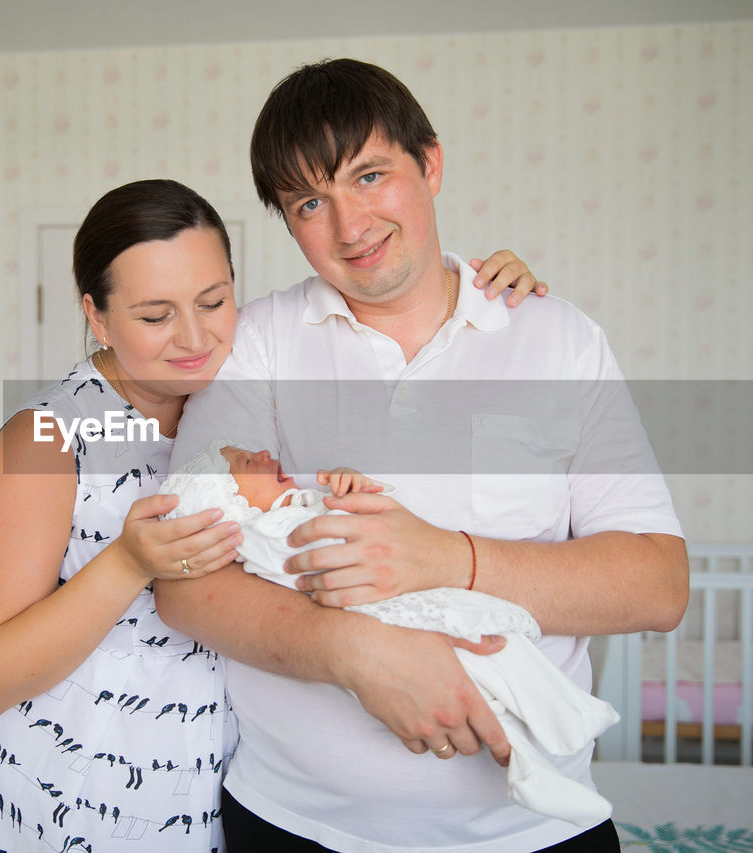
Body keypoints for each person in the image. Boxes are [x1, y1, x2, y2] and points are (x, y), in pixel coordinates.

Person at [155, 58, 689, 853]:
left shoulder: (557, 336)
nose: (350, 225)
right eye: (310, 201)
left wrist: (445, 557)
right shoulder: (256, 343)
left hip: (532, 830)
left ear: (429, 163)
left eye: (370, 176)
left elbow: (657, 584)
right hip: (295, 825)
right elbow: (181, 582)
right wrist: (356, 651)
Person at [0, 178, 547, 852]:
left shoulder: (246, 398)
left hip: (206, 797)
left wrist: (481, 288)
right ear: (97, 316)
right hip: (68, 801)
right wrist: (127, 562)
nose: (196, 336)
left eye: (214, 300)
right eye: (154, 316)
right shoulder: (49, 437)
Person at [161, 441, 621, 829]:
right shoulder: (257, 534)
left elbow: (373, 524)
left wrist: (350, 489)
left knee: (506, 651)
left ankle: (571, 716)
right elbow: (309, 557)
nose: (263, 452)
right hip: (398, 617)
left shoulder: (297, 507)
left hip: (419, 595)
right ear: (227, 504)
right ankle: (529, 769)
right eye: (245, 463)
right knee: (483, 676)